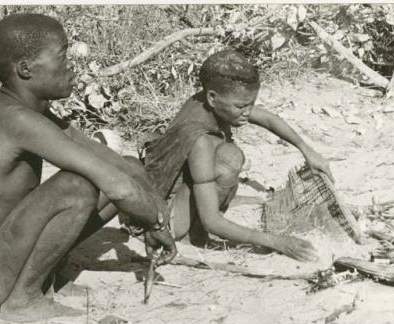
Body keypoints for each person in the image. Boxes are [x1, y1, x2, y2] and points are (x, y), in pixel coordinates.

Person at [0, 13, 176, 323]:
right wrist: (156, 224)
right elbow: (118, 188)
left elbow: (119, 169)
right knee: (77, 186)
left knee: (126, 166)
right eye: (62, 56)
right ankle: (23, 299)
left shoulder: (12, 105)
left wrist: (153, 206)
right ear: (26, 69)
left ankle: (42, 278)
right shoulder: (16, 120)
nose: (72, 65)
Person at [143, 49, 335, 262]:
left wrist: (306, 150)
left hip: (176, 193)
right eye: (242, 106)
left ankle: (199, 219)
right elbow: (212, 222)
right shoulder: (200, 140)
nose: (248, 111)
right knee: (229, 159)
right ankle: (193, 235)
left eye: (251, 104)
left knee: (226, 157)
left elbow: (269, 120)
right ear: (213, 97)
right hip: (164, 220)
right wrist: (279, 242)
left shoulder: (211, 100)